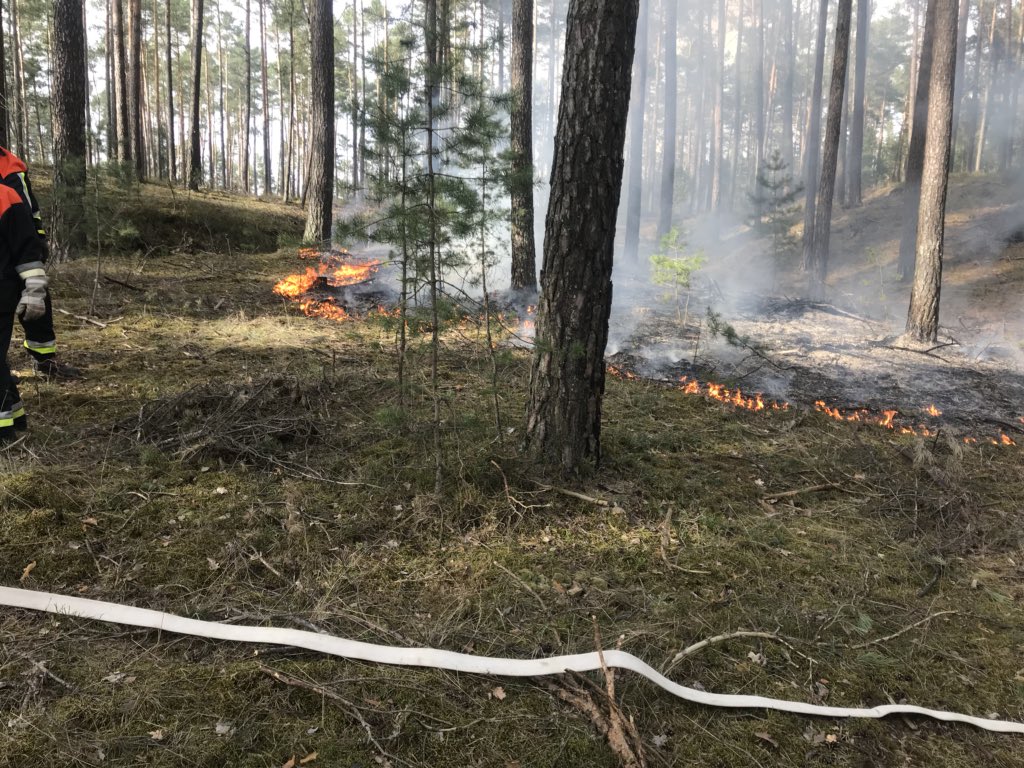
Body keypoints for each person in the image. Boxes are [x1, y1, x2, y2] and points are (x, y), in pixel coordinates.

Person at [0, 146, 78, 379]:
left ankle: (45, 359)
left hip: (23, 244)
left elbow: (30, 208)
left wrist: (38, 238)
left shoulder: (13, 166)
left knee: (37, 299)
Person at [0, 182, 48, 443]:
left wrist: (35, 289)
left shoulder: (6, 197)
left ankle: (3, 432)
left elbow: (27, 249)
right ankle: (14, 417)